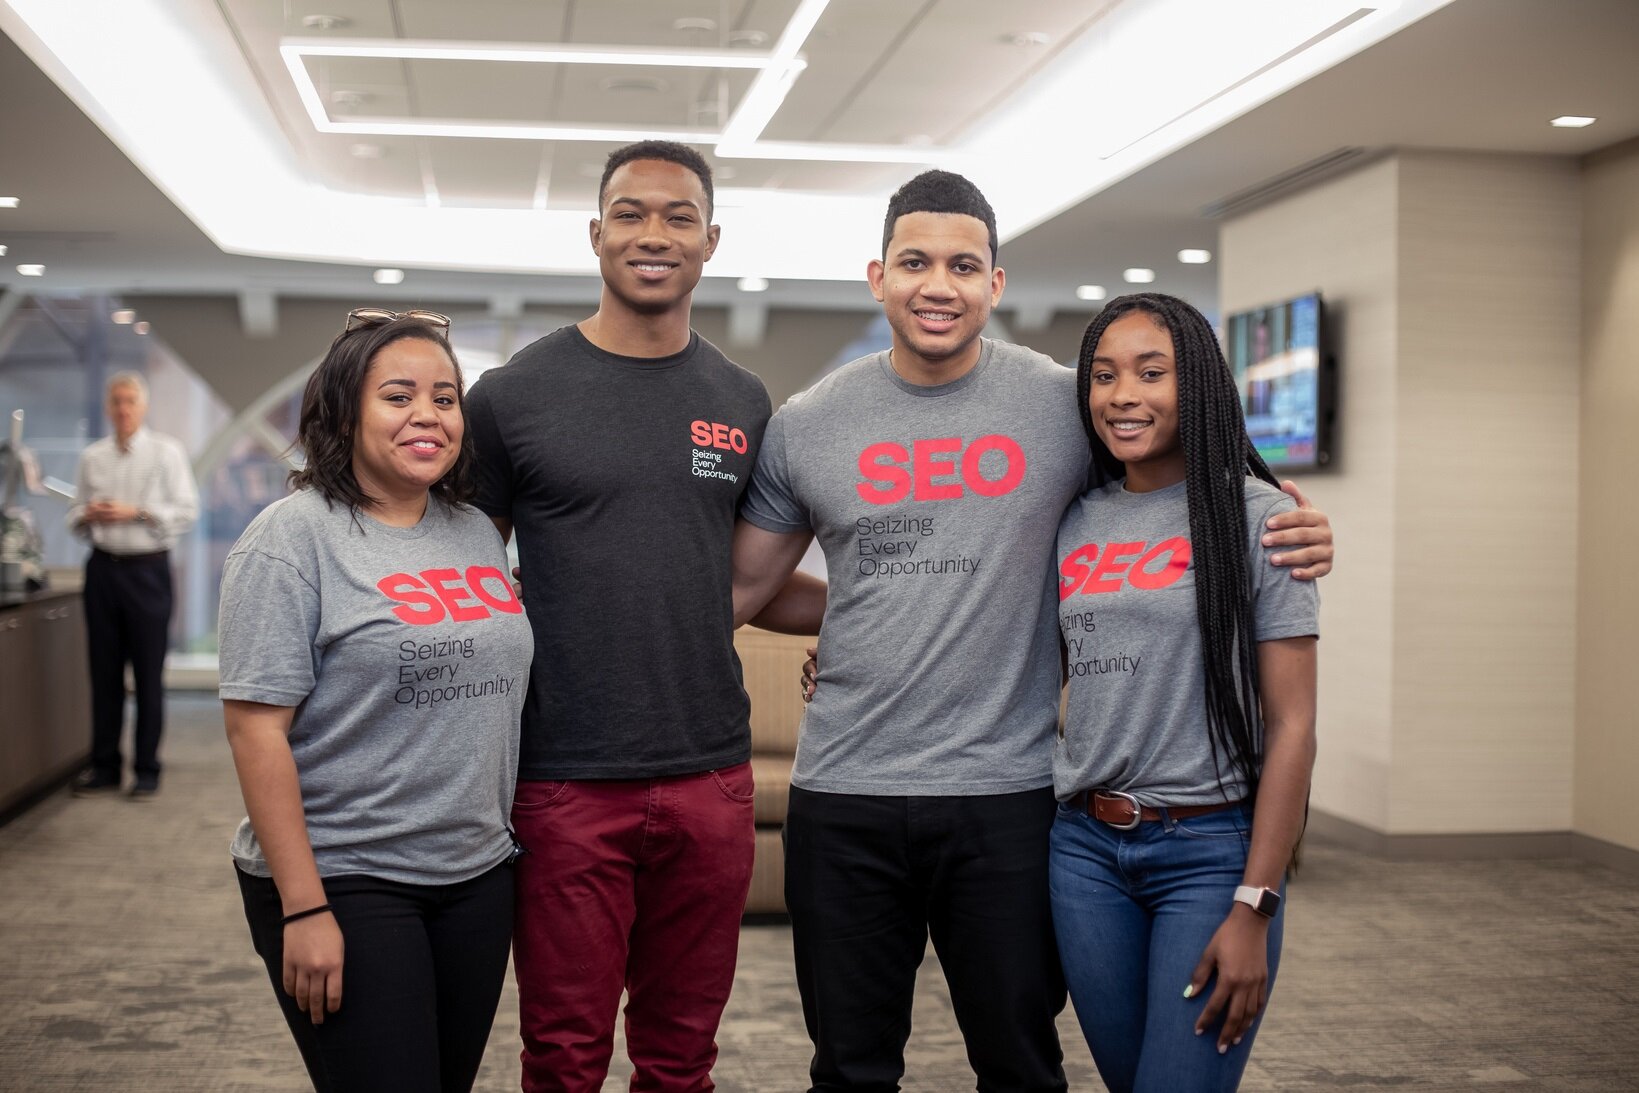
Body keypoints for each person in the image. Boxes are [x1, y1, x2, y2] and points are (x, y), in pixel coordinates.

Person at [729, 171, 1333, 1092]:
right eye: (915, 262)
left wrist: (1292, 521)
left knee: (1019, 1061)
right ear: (875, 277)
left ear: (995, 283)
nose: (939, 284)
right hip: (843, 792)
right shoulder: (808, 424)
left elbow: (1175, 491)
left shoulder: (1069, 404)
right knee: (848, 1067)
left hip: (1008, 796)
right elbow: (747, 586)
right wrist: (863, 616)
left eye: (963, 264)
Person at [464, 140, 819, 1093]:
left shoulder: (742, 402)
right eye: (629, 213)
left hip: (711, 775)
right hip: (564, 778)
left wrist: (871, 610)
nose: (651, 234)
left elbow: (747, 580)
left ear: (710, 239)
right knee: (566, 1056)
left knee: (680, 1059)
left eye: (675, 216)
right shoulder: (510, 398)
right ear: (595, 234)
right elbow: (463, 573)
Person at [218, 309, 533, 1093]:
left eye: (445, 396)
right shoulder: (290, 539)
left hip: (474, 871)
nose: (427, 414)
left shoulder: (472, 533)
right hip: (347, 874)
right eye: (397, 396)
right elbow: (256, 731)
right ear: (344, 411)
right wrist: (303, 908)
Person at [1049, 292, 1318, 1091]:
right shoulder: (1073, 518)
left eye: (1149, 372)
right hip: (1083, 850)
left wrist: (1255, 903)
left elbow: (1294, 726)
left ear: (1195, 382)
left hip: (1208, 850)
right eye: (1102, 375)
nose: (1121, 394)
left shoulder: (1260, 518)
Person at [67, 370, 198, 798]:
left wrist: (136, 512)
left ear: (142, 407)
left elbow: (186, 510)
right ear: (109, 408)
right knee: (102, 673)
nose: (123, 409)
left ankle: (146, 769)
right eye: (116, 401)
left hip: (148, 571)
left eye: (130, 401)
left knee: (147, 673)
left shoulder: (166, 452)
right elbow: (72, 514)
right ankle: (104, 766)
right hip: (102, 569)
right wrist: (88, 514)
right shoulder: (93, 457)